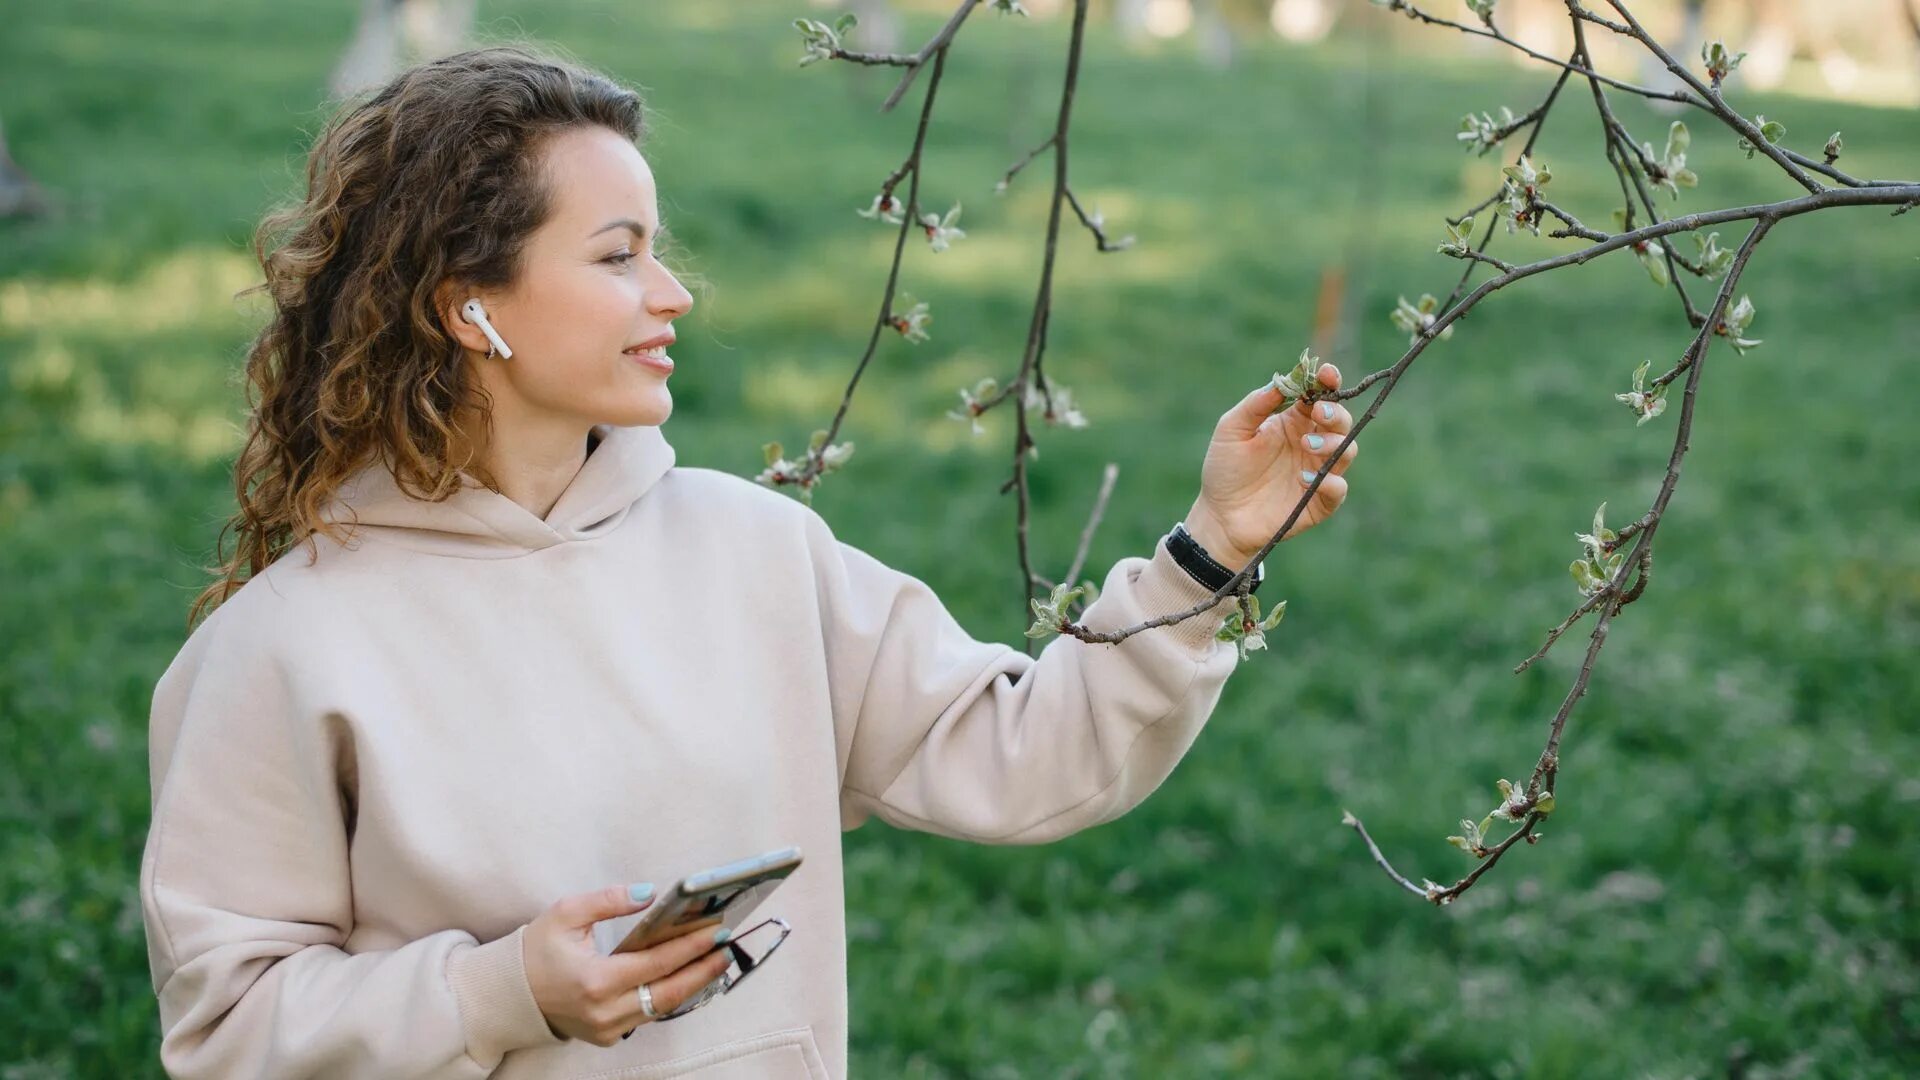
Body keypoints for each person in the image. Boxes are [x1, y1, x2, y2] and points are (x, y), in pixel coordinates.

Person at [137, 44, 1358, 1080]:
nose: (671, 293)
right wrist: (503, 992)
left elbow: (1030, 758)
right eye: (617, 256)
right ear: (469, 307)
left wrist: (1211, 554)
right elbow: (228, 1030)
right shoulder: (284, 648)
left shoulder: (755, 549)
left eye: (656, 249)